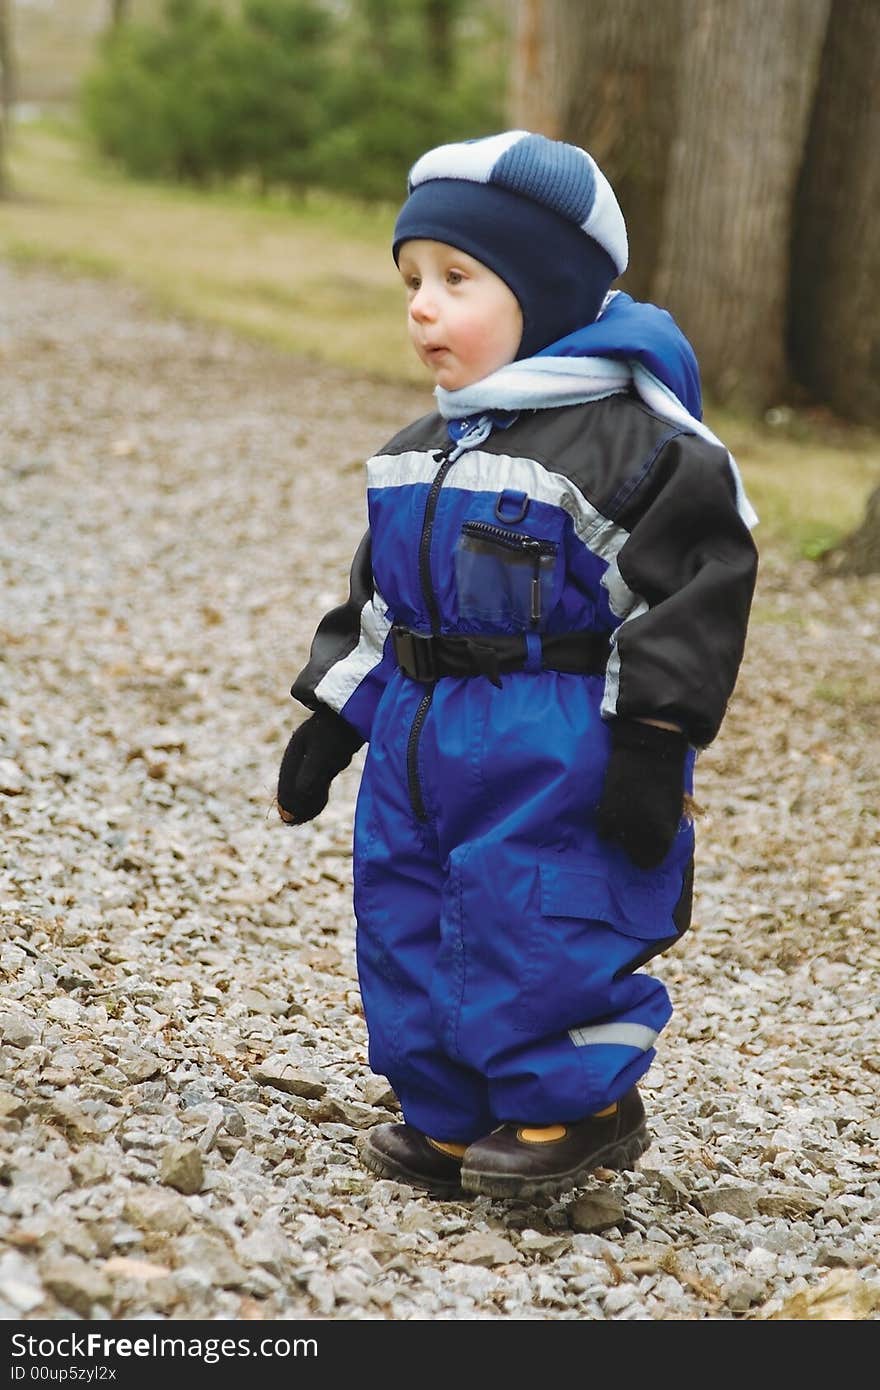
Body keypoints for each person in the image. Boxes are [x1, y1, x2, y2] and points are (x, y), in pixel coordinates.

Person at [276, 130, 758, 1201]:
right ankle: (448, 1109)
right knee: (405, 904)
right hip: (419, 732)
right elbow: (379, 596)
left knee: (534, 912)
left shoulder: (633, 445)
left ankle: (570, 1102)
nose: (420, 305)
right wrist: (332, 716)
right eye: (410, 279)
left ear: (543, 293)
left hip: (557, 734)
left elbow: (695, 587)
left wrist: (653, 734)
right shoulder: (419, 448)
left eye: (457, 279)